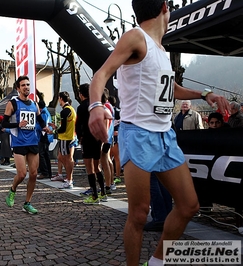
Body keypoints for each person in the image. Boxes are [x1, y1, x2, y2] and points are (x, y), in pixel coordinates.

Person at [87, 1, 230, 265]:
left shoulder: (161, 50)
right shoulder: (135, 37)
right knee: (139, 214)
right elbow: (102, 74)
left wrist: (205, 93)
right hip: (138, 134)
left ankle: (157, 261)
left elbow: (170, 88)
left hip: (165, 136)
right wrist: (95, 105)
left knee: (189, 206)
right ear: (166, 7)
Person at [2, 76, 48, 214]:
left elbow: (39, 119)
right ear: (18, 88)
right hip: (19, 142)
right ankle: (12, 190)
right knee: (22, 174)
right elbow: (4, 123)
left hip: (33, 141)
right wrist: (18, 124)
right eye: (23, 85)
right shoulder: (13, 103)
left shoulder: (34, 104)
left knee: (33, 174)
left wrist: (46, 127)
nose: (26, 87)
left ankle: (27, 203)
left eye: (28, 85)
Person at [75, 83, 107, 204]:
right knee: (97, 166)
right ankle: (103, 192)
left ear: (81, 94)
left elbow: (78, 125)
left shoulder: (82, 107)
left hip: (87, 139)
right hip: (98, 138)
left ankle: (94, 195)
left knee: (89, 168)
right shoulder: (97, 105)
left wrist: (79, 137)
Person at [49, 91, 76, 189]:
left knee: (67, 159)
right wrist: (56, 128)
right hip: (69, 136)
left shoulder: (65, 111)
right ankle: (69, 177)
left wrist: (54, 131)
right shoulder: (71, 109)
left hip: (66, 137)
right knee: (61, 157)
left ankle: (69, 179)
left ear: (61, 98)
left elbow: (63, 128)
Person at [37, 100, 53, 179]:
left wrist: (34, 127)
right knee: (45, 154)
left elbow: (42, 126)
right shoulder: (46, 113)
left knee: (42, 154)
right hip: (46, 136)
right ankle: (48, 172)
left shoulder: (43, 114)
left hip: (44, 136)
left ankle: (45, 172)